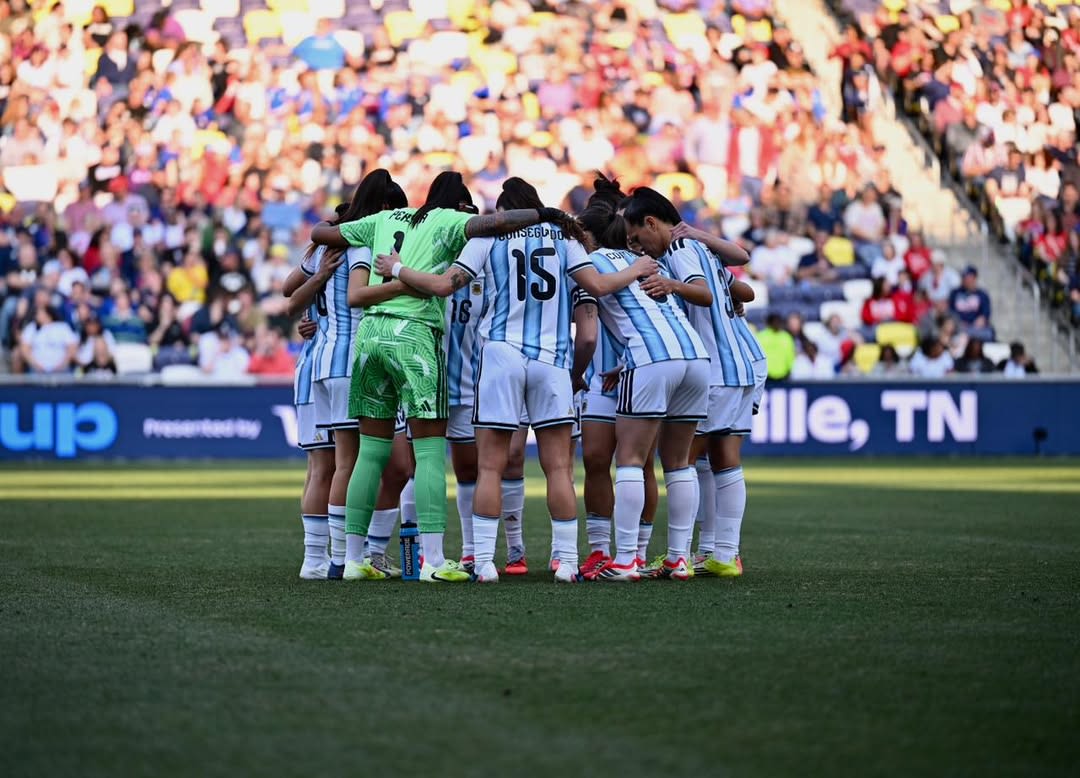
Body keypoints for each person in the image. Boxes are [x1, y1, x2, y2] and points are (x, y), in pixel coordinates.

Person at [377, 177, 638, 584]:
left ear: (505, 210)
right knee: (557, 469)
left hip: (501, 355)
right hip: (552, 359)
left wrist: (397, 268)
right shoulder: (564, 236)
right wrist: (638, 266)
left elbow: (446, 285)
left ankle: (483, 562)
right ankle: (567, 562)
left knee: (490, 467)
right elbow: (598, 287)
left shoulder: (491, 236)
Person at [310, 171, 566, 583]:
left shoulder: (385, 220)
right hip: (414, 337)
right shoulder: (445, 220)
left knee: (370, 453)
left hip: (370, 336)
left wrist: (332, 228)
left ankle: (353, 559)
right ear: (456, 204)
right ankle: (432, 561)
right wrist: (543, 212)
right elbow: (495, 223)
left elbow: (321, 233)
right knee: (428, 453)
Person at [622, 187, 766, 579]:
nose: (637, 246)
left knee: (680, 462)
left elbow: (701, 293)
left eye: (637, 237)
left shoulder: (681, 252)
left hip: (715, 370)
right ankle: (722, 553)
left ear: (652, 223)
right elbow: (743, 290)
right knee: (724, 461)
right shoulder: (701, 252)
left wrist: (673, 287)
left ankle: (678, 556)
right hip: (739, 366)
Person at [577, 182, 707, 582]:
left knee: (631, 461)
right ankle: (678, 558)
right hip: (694, 359)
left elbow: (596, 297)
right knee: (679, 464)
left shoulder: (593, 261)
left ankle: (627, 559)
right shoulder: (653, 261)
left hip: (652, 360)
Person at [288, 170, 410, 580]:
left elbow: (291, 292)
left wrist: (316, 287)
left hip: (317, 362)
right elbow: (355, 297)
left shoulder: (326, 244)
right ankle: (343, 558)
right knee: (347, 463)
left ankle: (319, 559)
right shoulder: (362, 243)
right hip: (350, 361)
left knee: (329, 466)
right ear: (380, 210)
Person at [758, 313, 796, 380]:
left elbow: (791, 356)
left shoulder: (786, 337)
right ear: (769, 323)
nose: (776, 324)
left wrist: (789, 370)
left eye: (778, 322)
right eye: (774, 322)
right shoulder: (761, 336)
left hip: (784, 376)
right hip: (766, 377)